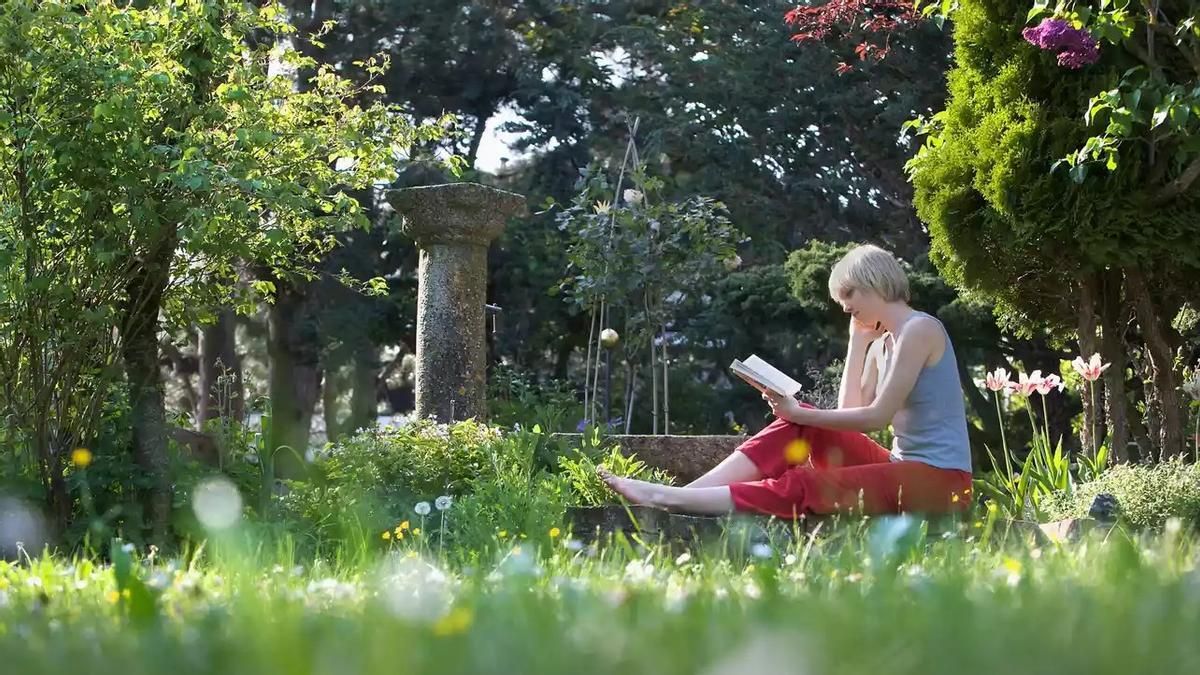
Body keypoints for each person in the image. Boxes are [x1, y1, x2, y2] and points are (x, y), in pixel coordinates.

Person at [599, 244, 973, 518]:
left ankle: (671, 501)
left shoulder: (919, 330)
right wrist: (857, 344)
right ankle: (687, 494)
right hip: (900, 466)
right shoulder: (885, 342)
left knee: (806, 479)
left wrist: (801, 413)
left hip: (942, 482)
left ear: (874, 282)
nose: (843, 306)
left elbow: (876, 417)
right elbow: (849, 415)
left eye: (849, 294)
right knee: (802, 421)